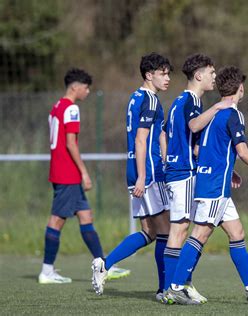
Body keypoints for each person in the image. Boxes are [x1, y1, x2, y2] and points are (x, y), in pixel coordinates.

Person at [166, 66, 248, 305]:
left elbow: (201, 149)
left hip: (215, 182)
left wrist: (230, 170)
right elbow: (243, 151)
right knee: (200, 234)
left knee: (237, 233)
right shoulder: (232, 114)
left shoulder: (213, 113)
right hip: (214, 186)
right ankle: (175, 287)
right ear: (240, 88)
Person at [91, 53, 171, 297]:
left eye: (169, 73)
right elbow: (141, 139)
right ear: (149, 75)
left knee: (150, 232)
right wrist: (143, 176)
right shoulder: (150, 100)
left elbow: (156, 135)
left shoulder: (136, 97)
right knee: (168, 233)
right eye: (163, 73)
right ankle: (164, 289)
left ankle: (104, 264)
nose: (168, 78)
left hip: (136, 170)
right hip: (147, 172)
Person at [40, 68, 130, 284]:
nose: (88, 91)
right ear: (74, 87)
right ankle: (47, 270)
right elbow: (70, 143)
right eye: (86, 87)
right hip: (68, 173)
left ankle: (104, 265)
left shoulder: (56, 107)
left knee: (86, 216)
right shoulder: (71, 108)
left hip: (61, 171)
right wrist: (84, 172)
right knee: (57, 221)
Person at [161, 53, 232, 303]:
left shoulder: (180, 100)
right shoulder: (191, 100)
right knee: (180, 229)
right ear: (199, 75)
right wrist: (217, 107)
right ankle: (172, 289)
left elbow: (171, 136)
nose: (214, 77)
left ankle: (180, 285)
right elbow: (193, 127)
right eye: (211, 73)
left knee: (186, 229)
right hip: (182, 173)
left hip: (179, 170)